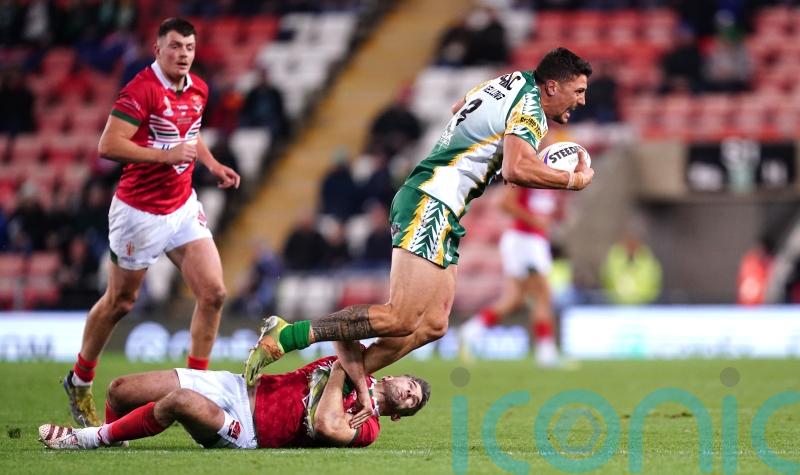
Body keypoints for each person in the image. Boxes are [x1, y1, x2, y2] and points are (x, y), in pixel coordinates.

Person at [244, 47, 594, 417]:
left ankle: (341, 378)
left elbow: (459, 105)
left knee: (432, 324)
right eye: (578, 91)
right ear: (552, 86)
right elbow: (515, 170)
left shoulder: (512, 80)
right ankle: (289, 334)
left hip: (442, 203)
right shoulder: (532, 109)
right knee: (401, 317)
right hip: (432, 199)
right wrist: (572, 180)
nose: (583, 100)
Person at [63, 18, 241, 428]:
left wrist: (212, 164)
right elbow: (108, 145)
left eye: (190, 47)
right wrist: (164, 156)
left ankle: (195, 388)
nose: (184, 54)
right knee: (120, 302)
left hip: (180, 207)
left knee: (213, 293)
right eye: (176, 46)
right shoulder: (140, 90)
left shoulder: (198, 88)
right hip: (138, 213)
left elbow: (190, 136)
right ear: (157, 49)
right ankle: (80, 379)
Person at [40, 343, 430, 450]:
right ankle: (113, 437)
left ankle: (87, 439)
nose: (410, 394)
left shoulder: (371, 427)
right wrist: (358, 379)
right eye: (412, 386)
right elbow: (348, 332)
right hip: (238, 386)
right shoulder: (358, 366)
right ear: (393, 374)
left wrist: (344, 375)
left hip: (248, 430)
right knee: (120, 389)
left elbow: (328, 426)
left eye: (413, 402)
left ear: (399, 415)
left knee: (180, 401)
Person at [460, 186, 564, 367]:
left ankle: (470, 331)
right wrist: (535, 221)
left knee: (515, 299)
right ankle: (546, 354)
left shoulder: (551, 177)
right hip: (526, 241)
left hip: (530, 241)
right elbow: (505, 203)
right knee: (543, 295)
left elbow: (546, 210)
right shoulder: (527, 174)